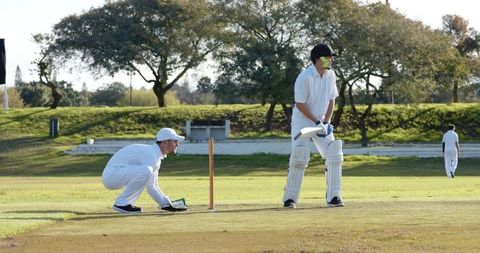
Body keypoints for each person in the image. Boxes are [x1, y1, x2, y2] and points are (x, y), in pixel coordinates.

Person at [283, 43, 344, 209]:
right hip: (303, 121)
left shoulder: (331, 75)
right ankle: (290, 198)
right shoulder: (304, 77)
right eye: (328, 57)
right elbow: (300, 104)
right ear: (318, 59)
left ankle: (334, 197)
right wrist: (316, 121)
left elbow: (332, 100)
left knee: (334, 154)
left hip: (321, 122)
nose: (331, 60)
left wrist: (327, 121)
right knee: (299, 156)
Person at [102, 128, 187, 214]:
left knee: (145, 173)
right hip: (111, 176)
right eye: (175, 141)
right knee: (146, 171)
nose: (177, 144)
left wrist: (165, 204)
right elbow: (150, 186)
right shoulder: (151, 154)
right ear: (165, 142)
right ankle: (122, 204)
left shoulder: (154, 155)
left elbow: (153, 185)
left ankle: (124, 204)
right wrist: (165, 203)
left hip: (114, 175)